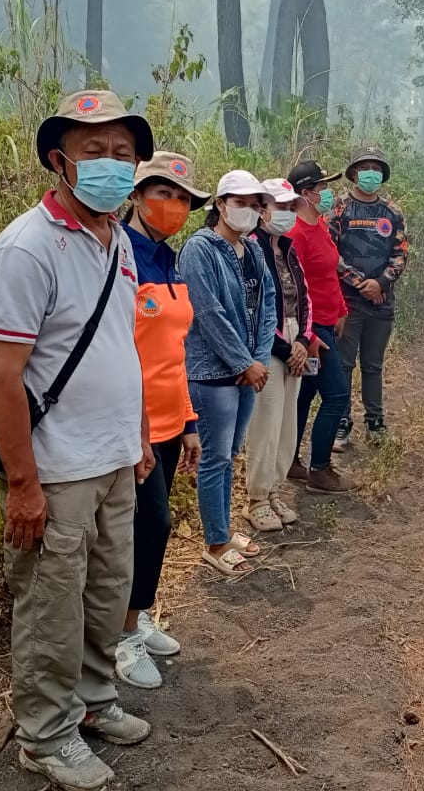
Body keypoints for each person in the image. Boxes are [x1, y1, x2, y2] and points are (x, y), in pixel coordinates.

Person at [0, 90, 154, 791]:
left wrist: (138, 436)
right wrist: (22, 484)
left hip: (113, 456)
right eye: (94, 152)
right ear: (60, 160)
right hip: (55, 467)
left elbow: (123, 345)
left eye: (122, 153)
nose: (111, 165)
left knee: (107, 590)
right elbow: (2, 372)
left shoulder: (119, 240)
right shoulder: (28, 247)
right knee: (51, 603)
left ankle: (91, 700)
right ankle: (44, 736)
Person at [114, 152, 208, 691]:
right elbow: (118, 351)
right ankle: (120, 637)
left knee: (150, 531)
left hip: (171, 421)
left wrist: (189, 419)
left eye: (181, 198)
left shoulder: (168, 259)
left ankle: (137, 616)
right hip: (133, 425)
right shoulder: (120, 258)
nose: (173, 206)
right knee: (147, 528)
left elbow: (172, 351)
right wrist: (139, 428)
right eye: (162, 193)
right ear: (136, 195)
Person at [178, 170, 278, 575]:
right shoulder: (199, 250)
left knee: (229, 454)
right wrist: (243, 363)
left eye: (254, 204)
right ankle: (215, 543)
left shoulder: (252, 251)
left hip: (248, 372)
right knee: (214, 458)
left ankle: (224, 530)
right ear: (219, 205)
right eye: (239, 202)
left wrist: (258, 358)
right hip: (211, 373)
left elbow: (268, 303)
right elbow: (208, 312)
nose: (248, 211)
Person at [243, 178, 315, 532]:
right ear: (261, 208)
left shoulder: (288, 249)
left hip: (292, 339)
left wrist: (303, 338)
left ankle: (274, 489)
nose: (285, 214)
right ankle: (256, 497)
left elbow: (306, 297)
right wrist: (286, 348)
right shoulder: (250, 248)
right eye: (279, 206)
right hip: (266, 344)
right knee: (266, 421)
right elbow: (253, 308)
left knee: (288, 421)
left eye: (290, 208)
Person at [286, 161, 359, 494]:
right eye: (321, 187)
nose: (326, 193)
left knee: (306, 396)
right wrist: (310, 335)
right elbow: (293, 290)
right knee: (337, 396)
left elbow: (329, 275)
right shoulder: (296, 235)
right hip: (315, 331)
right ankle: (319, 469)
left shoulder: (321, 226)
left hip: (330, 322)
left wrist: (342, 309)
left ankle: (290, 461)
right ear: (305, 193)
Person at [331, 145, 408, 448]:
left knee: (373, 365)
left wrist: (381, 283)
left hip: (381, 302)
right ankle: (342, 421)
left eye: (377, 168)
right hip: (348, 303)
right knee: (344, 364)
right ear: (353, 172)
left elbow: (400, 254)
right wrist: (361, 283)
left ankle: (375, 422)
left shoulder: (392, 211)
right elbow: (330, 253)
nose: (371, 173)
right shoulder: (338, 208)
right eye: (366, 167)